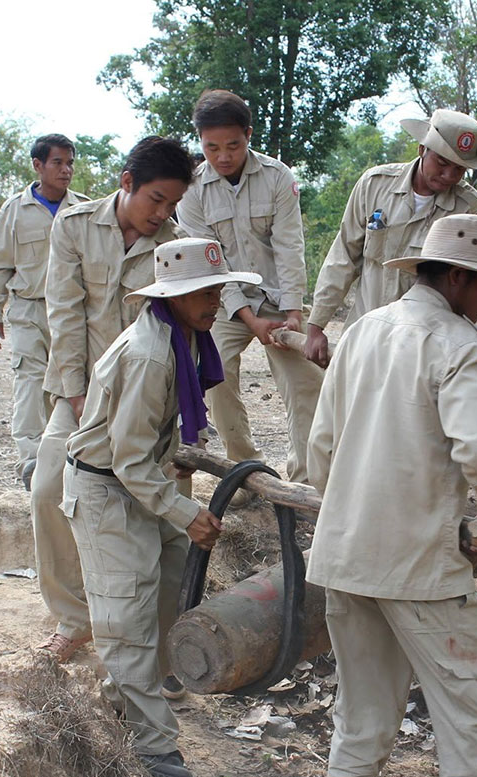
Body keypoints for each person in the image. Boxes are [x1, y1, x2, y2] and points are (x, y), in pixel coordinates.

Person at [306, 214, 477, 777]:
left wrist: (347, 512)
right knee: (473, 721)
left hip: (347, 556)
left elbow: (320, 448)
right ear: (458, 278)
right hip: (422, 570)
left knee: (361, 711)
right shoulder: (459, 344)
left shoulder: (363, 330)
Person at [63, 237, 261, 777]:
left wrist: (178, 499)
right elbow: (126, 456)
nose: (216, 301)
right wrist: (181, 508)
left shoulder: (185, 340)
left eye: (219, 289)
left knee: (170, 593)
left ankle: (123, 699)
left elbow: (154, 440)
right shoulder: (152, 353)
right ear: (173, 296)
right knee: (126, 620)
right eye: (204, 291)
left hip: (140, 481)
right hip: (108, 488)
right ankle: (150, 745)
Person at [31, 136, 193, 663]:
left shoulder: (175, 246)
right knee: (48, 487)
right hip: (80, 394)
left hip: (149, 402)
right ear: (126, 183)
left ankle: (161, 647)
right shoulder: (74, 226)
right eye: (156, 200)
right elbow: (64, 313)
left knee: (165, 515)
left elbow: (184, 331)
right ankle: (75, 619)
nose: (162, 213)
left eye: (172, 204)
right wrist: (78, 397)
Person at [176, 89, 323, 484]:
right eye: (212, 148)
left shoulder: (278, 177)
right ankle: (246, 470)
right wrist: (247, 318)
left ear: (249, 136)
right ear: (201, 143)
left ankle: (307, 481)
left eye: (233, 145)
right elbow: (212, 263)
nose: (223, 156)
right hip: (221, 303)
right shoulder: (190, 191)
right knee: (213, 374)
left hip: (277, 300)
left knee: (307, 384)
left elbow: (290, 245)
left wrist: (293, 311)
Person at [301, 108, 477, 367]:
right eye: (442, 163)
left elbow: (463, 286)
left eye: (459, 169)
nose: (449, 175)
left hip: (423, 346)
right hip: (363, 332)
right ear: (421, 150)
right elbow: (343, 257)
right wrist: (316, 325)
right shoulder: (374, 185)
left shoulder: (470, 209)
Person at [0, 134, 89, 490]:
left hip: (74, 312)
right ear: (38, 165)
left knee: (71, 382)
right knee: (29, 382)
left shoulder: (83, 211)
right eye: (58, 162)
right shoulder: (14, 211)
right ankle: (30, 460)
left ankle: (72, 455)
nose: (66, 170)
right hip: (29, 309)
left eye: (70, 162)